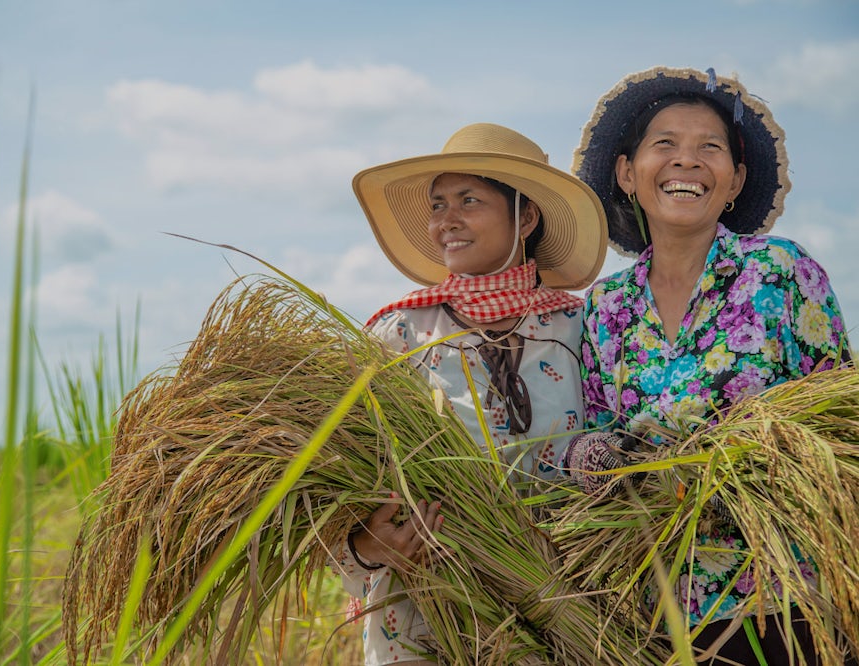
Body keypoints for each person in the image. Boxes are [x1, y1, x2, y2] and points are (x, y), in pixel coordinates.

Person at [565, 66, 853, 664]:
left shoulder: (779, 272)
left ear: (734, 180)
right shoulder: (606, 305)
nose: (686, 162)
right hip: (654, 610)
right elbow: (598, 436)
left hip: (782, 599)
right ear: (627, 173)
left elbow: (839, 429)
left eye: (709, 148)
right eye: (664, 145)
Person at [331, 123, 608, 665]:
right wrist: (365, 549)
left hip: (560, 617)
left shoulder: (584, 331)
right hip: (422, 620)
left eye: (469, 200)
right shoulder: (398, 338)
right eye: (438, 205)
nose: (445, 221)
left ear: (525, 216)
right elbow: (335, 482)